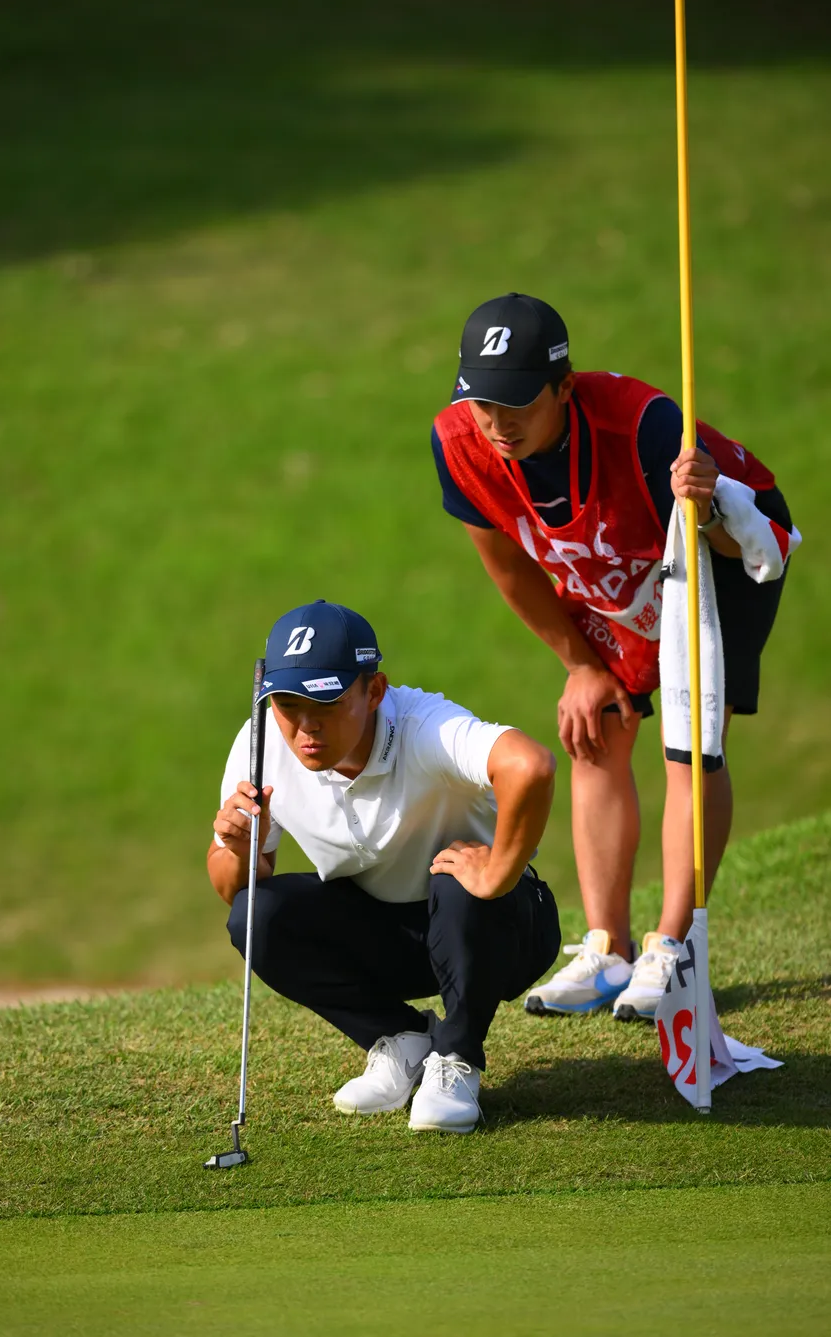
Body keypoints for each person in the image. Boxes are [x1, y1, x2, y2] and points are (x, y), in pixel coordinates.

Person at [432, 293, 794, 1021]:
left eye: (517, 404)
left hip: (711, 559)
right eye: (482, 404)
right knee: (594, 728)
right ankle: (608, 949)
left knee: (690, 748)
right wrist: (580, 665)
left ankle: (672, 946)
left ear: (564, 387)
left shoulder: (645, 427)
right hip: (609, 567)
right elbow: (507, 565)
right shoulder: (460, 442)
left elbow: (749, 547)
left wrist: (708, 507)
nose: (497, 424)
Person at [208, 599, 559, 1134]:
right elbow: (231, 884)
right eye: (287, 704)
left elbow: (530, 766)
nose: (305, 726)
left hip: (500, 928)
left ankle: (457, 1057)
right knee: (256, 915)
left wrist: (499, 871)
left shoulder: (424, 726)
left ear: (374, 691)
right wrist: (239, 851)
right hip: (388, 933)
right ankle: (401, 1038)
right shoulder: (261, 743)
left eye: (325, 703)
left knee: (458, 883)